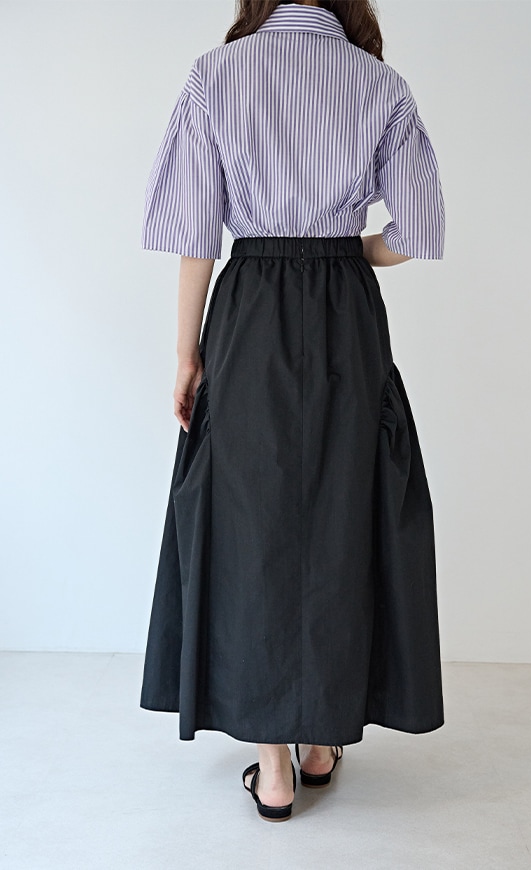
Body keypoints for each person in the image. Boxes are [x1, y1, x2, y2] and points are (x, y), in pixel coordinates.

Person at [139, 0, 445, 823]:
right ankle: (321, 741)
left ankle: (274, 767)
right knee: (343, 512)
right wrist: (352, 249)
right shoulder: (377, 83)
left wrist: (186, 354)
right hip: (347, 310)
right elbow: (416, 229)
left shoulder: (217, 75)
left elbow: (196, 234)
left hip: (250, 311)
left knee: (252, 522)